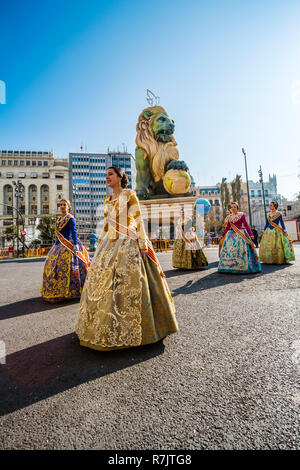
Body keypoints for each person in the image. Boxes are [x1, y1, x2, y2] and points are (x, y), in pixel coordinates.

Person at [75, 166, 178, 351]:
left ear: (120, 177)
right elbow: (106, 225)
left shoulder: (129, 194)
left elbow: (139, 220)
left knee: (127, 283)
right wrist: (98, 246)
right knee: (106, 285)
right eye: (106, 175)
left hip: (128, 243)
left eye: (110, 174)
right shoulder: (107, 199)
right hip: (110, 243)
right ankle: (107, 323)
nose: (107, 177)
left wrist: (143, 244)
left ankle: (139, 327)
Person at [41, 199, 90, 303]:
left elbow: (74, 232)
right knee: (51, 266)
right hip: (58, 246)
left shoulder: (70, 218)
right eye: (61, 205)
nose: (62, 206)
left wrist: (76, 246)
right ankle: (57, 289)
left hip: (68, 246)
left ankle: (70, 290)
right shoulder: (59, 219)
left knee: (67, 267)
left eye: (65, 205)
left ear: (69, 207)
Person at [218, 201, 261, 274]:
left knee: (242, 250)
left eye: (234, 207)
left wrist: (251, 234)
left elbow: (246, 225)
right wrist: (222, 235)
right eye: (232, 207)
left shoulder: (241, 215)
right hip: (231, 235)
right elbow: (228, 227)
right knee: (230, 251)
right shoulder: (229, 217)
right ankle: (230, 266)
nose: (233, 208)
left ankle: (242, 266)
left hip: (241, 234)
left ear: (237, 208)